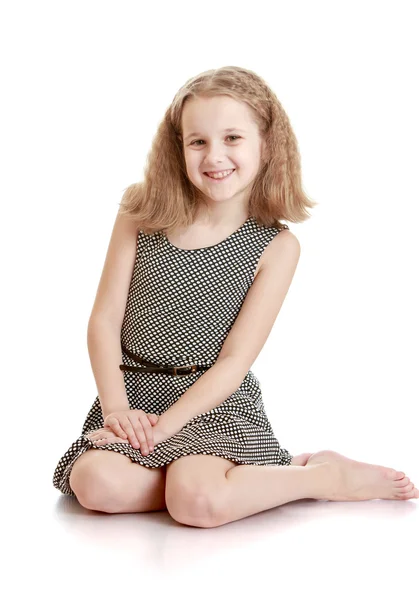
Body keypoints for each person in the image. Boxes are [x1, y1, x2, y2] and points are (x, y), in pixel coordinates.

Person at [52, 66, 418, 528]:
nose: (214, 156)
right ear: (178, 147)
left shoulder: (275, 246)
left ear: (266, 145)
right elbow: (104, 321)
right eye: (197, 141)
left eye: (232, 138)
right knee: (97, 485)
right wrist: (117, 409)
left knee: (197, 504)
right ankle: (224, 483)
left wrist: (167, 427)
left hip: (215, 405)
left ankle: (320, 476)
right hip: (136, 396)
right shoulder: (140, 209)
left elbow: (233, 362)